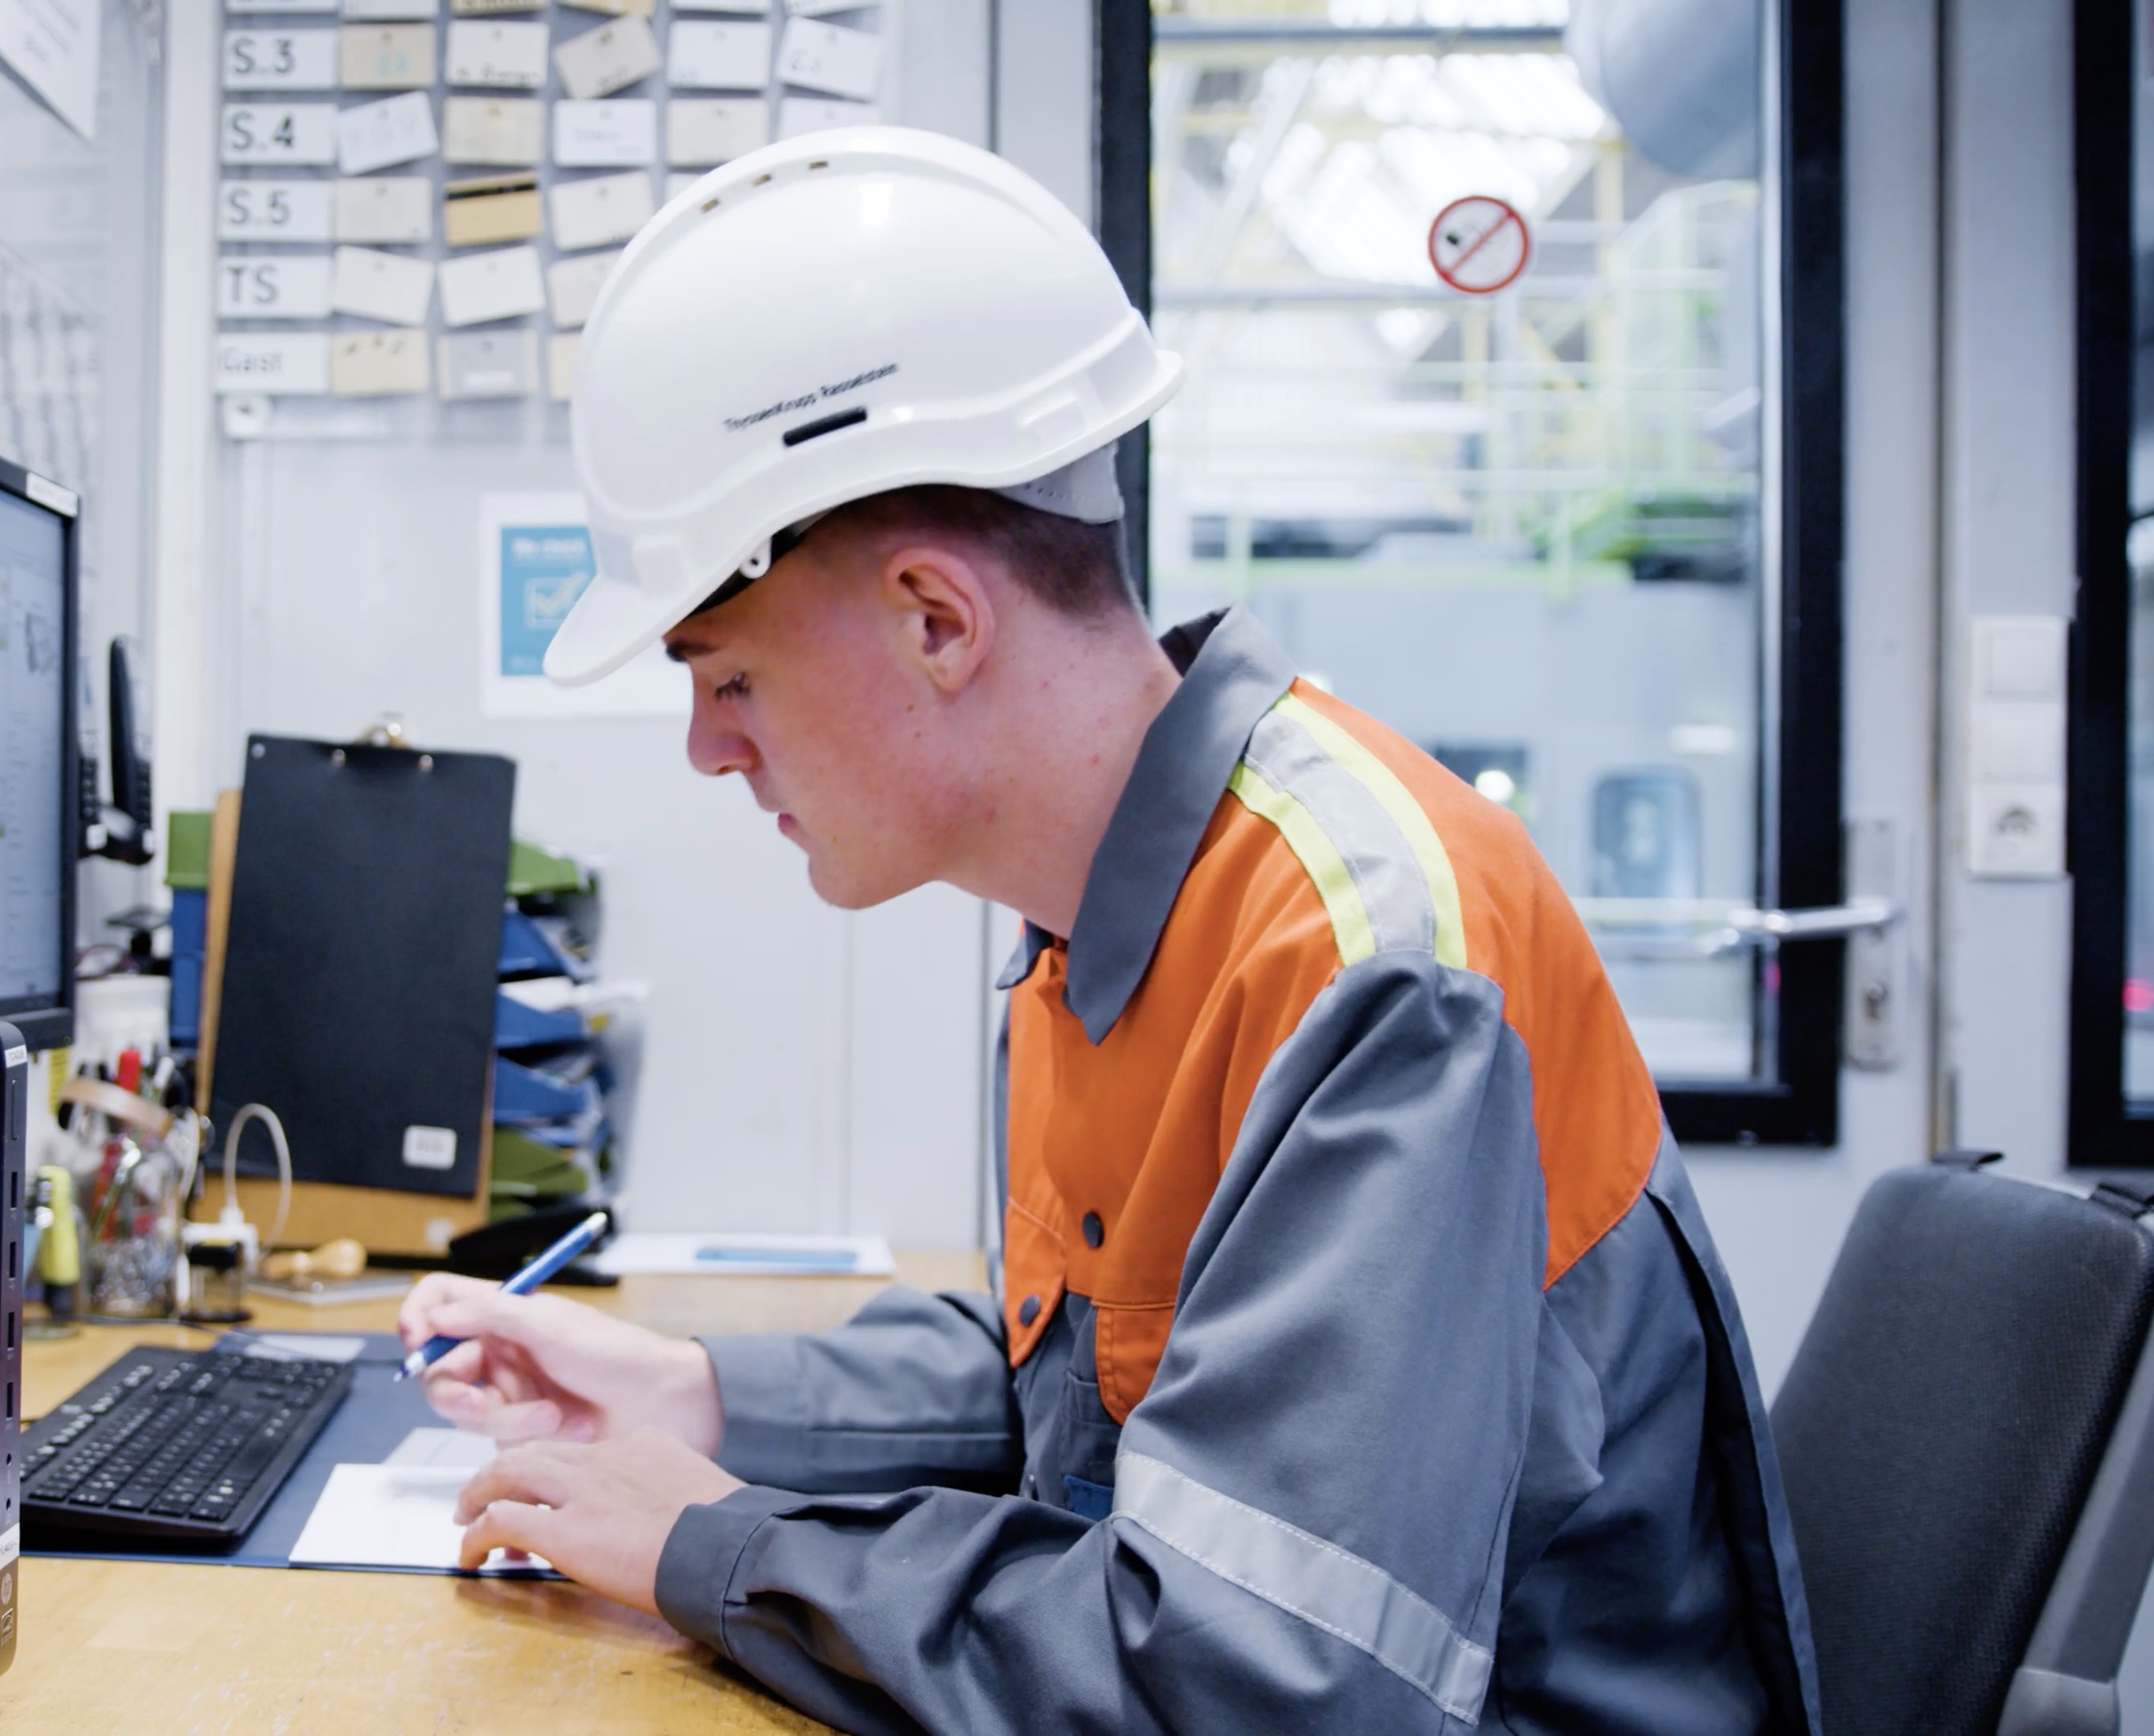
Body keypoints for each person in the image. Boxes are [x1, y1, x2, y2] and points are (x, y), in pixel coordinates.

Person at [395, 128, 1821, 1734]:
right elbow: (1094, 1389)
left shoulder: (1365, 960)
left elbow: (1258, 1682)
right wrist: (703, 1394)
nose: (706, 748)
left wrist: (718, 1546)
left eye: (725, 675)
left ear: (936, 620)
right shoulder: (1101, 919)